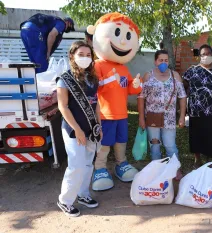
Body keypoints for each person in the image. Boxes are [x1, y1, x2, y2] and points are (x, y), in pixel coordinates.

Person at [87, 12, 142, 191]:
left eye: (128, 36)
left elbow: (130, 90)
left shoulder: (124, 68)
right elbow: (94, 88)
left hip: (122, 114)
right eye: (118, 34)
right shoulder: (97, 65)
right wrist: (109, 82)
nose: (124, 42)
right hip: (105, 114)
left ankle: (121, 164)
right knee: (104, 144)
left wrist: (136, 85)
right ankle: (100, 168)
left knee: (121, 141)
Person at [56, 41, 101, 217]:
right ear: (72, 56)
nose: (85, 58)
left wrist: (99, 125)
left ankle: (83, 194)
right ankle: (65, 200)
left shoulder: (92, 79)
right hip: (73, 130)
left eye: (88, 55)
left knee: (88, 163)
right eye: (81, 54)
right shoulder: (64, 80)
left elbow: (96, 104)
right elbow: (63, 107)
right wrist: (78, 130)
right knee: (76, 165)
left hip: (91, 129)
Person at [138, 50, 187, 179]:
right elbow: (141, 97)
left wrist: (182, 116)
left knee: (170, 144)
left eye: (166, 60)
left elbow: (182, 96)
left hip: (169, 118)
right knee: (155, 144)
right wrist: (141, 117)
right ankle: (156, 169)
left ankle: (175, 169)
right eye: (161, 60)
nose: (163, 63)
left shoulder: (175, 75)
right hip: (153, 118)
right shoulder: (148, 76)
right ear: (155, 61)